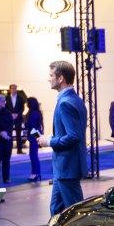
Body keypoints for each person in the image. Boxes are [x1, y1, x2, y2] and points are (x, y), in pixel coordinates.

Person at [37, 60, 87, 217]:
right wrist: (50, 138)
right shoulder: (74, 99)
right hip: (64, 168)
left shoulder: (65, 102)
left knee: (75, 212)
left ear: (61, 78)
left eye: (51, 75)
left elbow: (74, 136)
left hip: (67, 167)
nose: (48, 78)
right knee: (56, 210)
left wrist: (50, 141)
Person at [24, 97, 44, 182]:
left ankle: (35, 173)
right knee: (33, 155)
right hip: (34, 133)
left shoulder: (34, 113)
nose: (26, 104)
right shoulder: (35, 112)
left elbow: (28, 124)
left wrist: (24, 122)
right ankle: (35, 172)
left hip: (34, 133)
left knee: (33, 155)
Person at [8, 84, 26, 154]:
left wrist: (17, 114)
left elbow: (22, 108)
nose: (14, 90)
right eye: (12, 88)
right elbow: (6, 108)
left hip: (18, 118)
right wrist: (11, 114)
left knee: (19, 134)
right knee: (9, 133)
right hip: (9, 118)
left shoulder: (20, 98)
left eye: (15, 88)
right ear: (10, 89)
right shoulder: (7, 98)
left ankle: (19, 150)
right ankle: (9, 150)